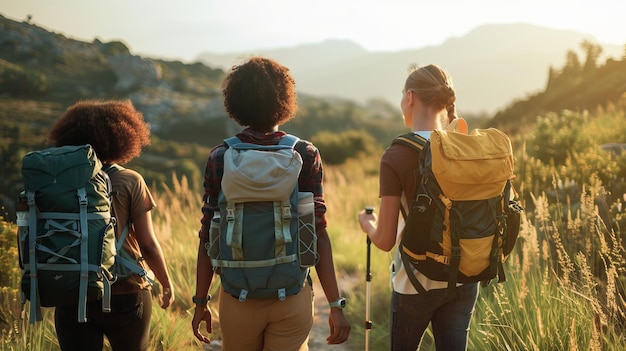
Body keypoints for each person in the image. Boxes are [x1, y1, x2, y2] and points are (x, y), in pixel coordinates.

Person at [191, 56, 351, 350]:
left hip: (238, 297)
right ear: (285, 99)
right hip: (291, 296)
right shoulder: (305, 153)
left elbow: (207, 235)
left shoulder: (220, 157)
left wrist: (201, 301)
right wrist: (335, 304)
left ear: (236, 101)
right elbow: (318, 232)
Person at [357, 64, 479, 351]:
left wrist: (366, 224)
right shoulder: (464, 147)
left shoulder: (397, 155)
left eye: (402, 96)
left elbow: (386, 240)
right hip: (464, 277)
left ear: (410, 97)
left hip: (415, 281)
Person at [48, 100, 175, 351]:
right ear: (122, 137)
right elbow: (147, 244)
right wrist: (166, 282)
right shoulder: (130, 180)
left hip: (74, 290)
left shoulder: (57, 183)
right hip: (126, 290)